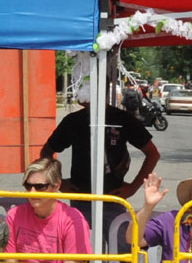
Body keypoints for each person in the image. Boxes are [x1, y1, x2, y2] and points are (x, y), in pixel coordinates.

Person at [40, 80, 161, 213]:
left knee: (113, 232)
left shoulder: (123, 119)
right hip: (80, 198)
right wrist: (58, 182)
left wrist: (133, 187)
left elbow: (153, 154)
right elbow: (46, 152)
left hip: (113, 198)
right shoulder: (73, 121)